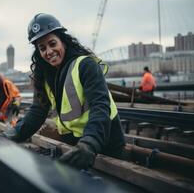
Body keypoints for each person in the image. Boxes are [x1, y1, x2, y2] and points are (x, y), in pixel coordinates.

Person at [7, 13, 125, 170]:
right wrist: (15, 133)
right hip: (75, 142)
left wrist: (89, 143)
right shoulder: (45, 76)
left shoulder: (85, 65)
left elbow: (100, 107)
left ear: (63, 41)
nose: (48, 51)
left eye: (52, 43)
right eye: (42, 48)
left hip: (104, 140)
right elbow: (38, 111)